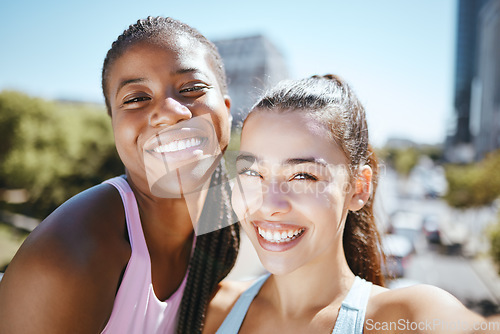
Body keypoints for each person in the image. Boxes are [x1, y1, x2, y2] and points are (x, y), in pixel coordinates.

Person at [0, 16, 240, 334]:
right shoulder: (72, 254)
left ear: (227, 109)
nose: (170, 112)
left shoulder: (215, 227)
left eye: (192, 88)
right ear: (114, 125)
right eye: (136, 98)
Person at [203, 75, 495, 334]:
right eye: (252, 173)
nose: (270, 205)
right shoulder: (213, 309)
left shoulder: (406, 319)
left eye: (303, 175)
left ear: (359, 188)